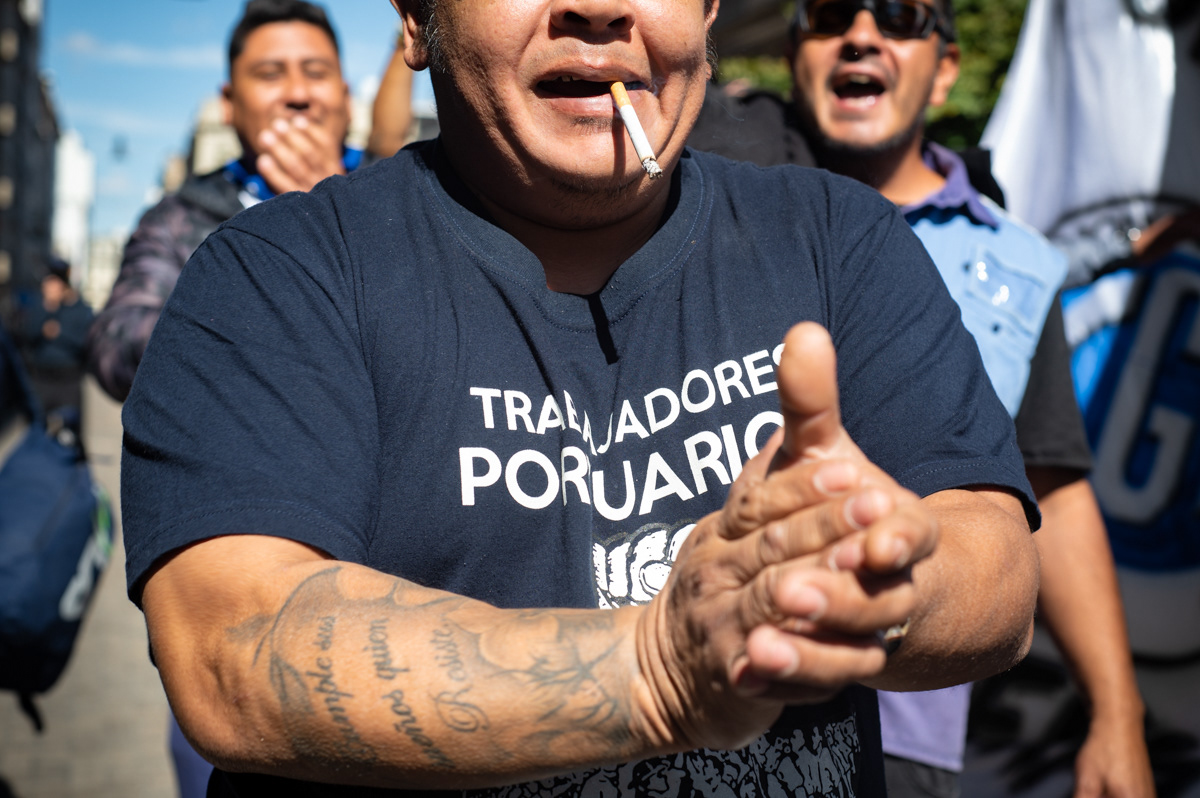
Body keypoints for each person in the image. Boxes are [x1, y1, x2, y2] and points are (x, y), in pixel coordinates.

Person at [119, 0, 1045, 793]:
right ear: (414, 19)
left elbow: (995, 568)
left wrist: (846, 577)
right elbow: (230, 645)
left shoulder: (839, 238)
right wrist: (656, 668)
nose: (599, 6)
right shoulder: (278, 275)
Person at [689, 1, 1155, 796]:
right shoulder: (712, 174)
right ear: (796, 52)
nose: (863, 34)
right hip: (695, 689)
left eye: (902, 16)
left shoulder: (1018, 259)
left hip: (911, 727)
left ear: (943, 71)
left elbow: (1054, 487)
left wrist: (1118, 716)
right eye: (831, 13)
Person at [87, 0, 358, 403]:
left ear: (346, 97)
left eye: (316, 73)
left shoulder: (405, 196)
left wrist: (335, 215)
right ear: (228, 104)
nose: (298, 94)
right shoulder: (178, 218)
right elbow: (115, 353)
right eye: (271, 74)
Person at [16, 258, 93, 415]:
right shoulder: (39, 307)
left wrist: (60, 333)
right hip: (41, 379)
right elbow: (26, 336)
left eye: (52, 282)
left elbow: (85, 342)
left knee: (68, 431)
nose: (47, 287)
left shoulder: (80, 308)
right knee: (39, 430)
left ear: (63, 285)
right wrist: (48, 310)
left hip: (68, 382)